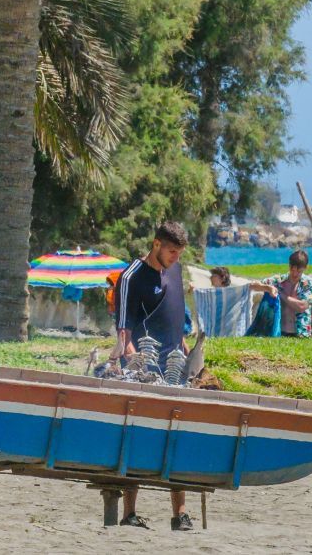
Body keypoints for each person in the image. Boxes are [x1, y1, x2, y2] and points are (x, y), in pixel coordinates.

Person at [114, 220, 195, 532]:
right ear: (156, 244)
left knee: (177, 437)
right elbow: (124, 327)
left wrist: (189, 352)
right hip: (144, 371)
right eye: (172, 251)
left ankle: (181, 515)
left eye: (179, 253)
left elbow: (176, 318)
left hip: (176, 368)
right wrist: (136, 363)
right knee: (138, 438)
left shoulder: (174, 269)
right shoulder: (132, 276)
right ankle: (130, 513)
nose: (176, 257)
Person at [250, 249, 312, 337]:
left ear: (306, 268)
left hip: (301, 334)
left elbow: (302, 306)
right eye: (292, 270)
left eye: (299, 271)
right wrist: (268, 288)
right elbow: (252, 285)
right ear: (289, 265)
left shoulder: (309, 283)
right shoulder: (278, 281)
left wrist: (280, 293)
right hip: (279, 333)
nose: (295, 274)